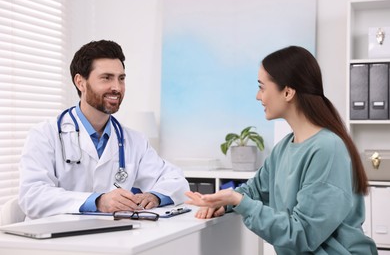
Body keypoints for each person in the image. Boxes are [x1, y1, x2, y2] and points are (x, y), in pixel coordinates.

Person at [185, 46, 378, 254]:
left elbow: (302, 234)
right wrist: (223, 202)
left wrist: (239, 202)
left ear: (287, 92)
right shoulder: (283, 148)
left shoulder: (327, 150)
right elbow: (254, 190)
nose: (259, 97)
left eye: (262, 87)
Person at [19, 40, 189, 219]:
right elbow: (32, 196)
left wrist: (155, 196)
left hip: (111, 241)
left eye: (121, 78)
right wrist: (98, 201)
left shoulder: (134, 140)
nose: (117, 87)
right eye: (106, 78)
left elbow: (176, 181)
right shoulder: (45, 135)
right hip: (52, 241)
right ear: (80, 82)